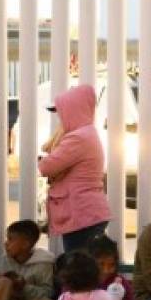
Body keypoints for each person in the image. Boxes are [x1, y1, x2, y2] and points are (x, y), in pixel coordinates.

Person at [38, 83, 111, 252]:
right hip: (87, 212)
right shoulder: (87, 133)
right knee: (84, 265)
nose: (61, 118)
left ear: (73, 110)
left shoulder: (78, 138)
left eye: (62, 112)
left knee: (78, 267)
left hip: (81, 213)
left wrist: (43, 159)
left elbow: (47, 167)